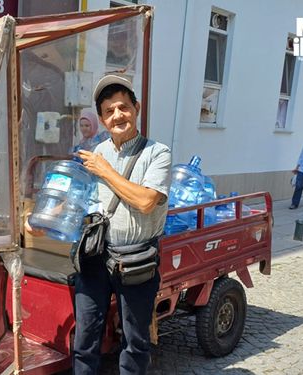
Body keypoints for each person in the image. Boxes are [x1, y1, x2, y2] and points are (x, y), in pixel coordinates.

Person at [71, 74, 170, 374]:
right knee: (84, 339)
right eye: (109, 111)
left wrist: (105, 171)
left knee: (135, 343)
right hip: (97, 255)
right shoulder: (96, 152)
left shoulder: (157, 153)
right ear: (102, 120)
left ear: (136, 108)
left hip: (137, 258)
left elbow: (145, 201)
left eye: (123, 107)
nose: (118, 115)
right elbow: (84, 196)